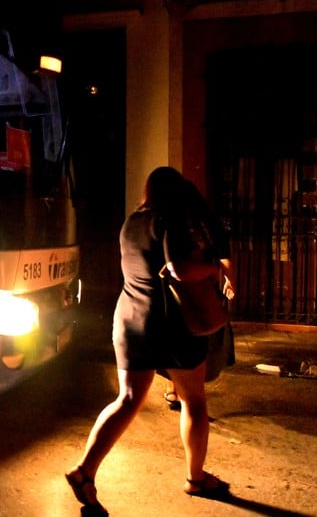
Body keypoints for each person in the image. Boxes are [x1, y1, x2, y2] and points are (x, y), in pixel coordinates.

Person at [65, 166, 231, 515]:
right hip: (171, 323)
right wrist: (216, 269)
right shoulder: (172, 220)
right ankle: (196, 479)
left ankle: (85, 471)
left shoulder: (130, 223)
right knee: (194, 402)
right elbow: (179, 270)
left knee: (126, 399)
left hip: (129, 319)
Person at [163, 187, 236, 410]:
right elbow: (224, 254)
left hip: (183, 289)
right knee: (197, 336)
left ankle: (176, 389)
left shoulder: (174, 224)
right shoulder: (207, 224)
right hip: (203, 287)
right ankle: (185, 389)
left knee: (180, 338)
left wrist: (227, 278)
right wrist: (228, 279)